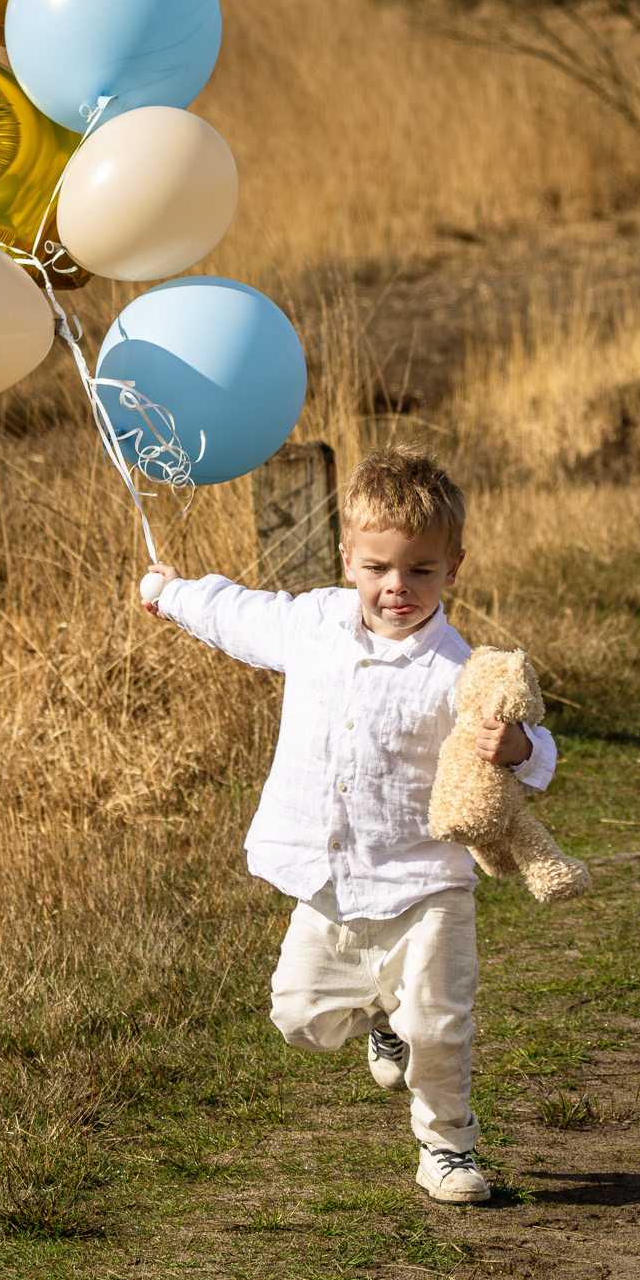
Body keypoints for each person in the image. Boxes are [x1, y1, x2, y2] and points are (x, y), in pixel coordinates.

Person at [143, 444, 557, 1204]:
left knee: (441, 1028)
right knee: (297, 1015)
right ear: (347, 559)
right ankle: (380, 1018)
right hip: (327, 875)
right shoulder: (311, 624)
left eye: (419, 572)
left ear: (452, 567)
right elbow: (236, 613)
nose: (396, 588)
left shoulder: (459, 669)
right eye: (377, 569)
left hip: (425, 882)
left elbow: (536, 753)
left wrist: (520, 746)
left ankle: (448, 1149)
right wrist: (172, 595)